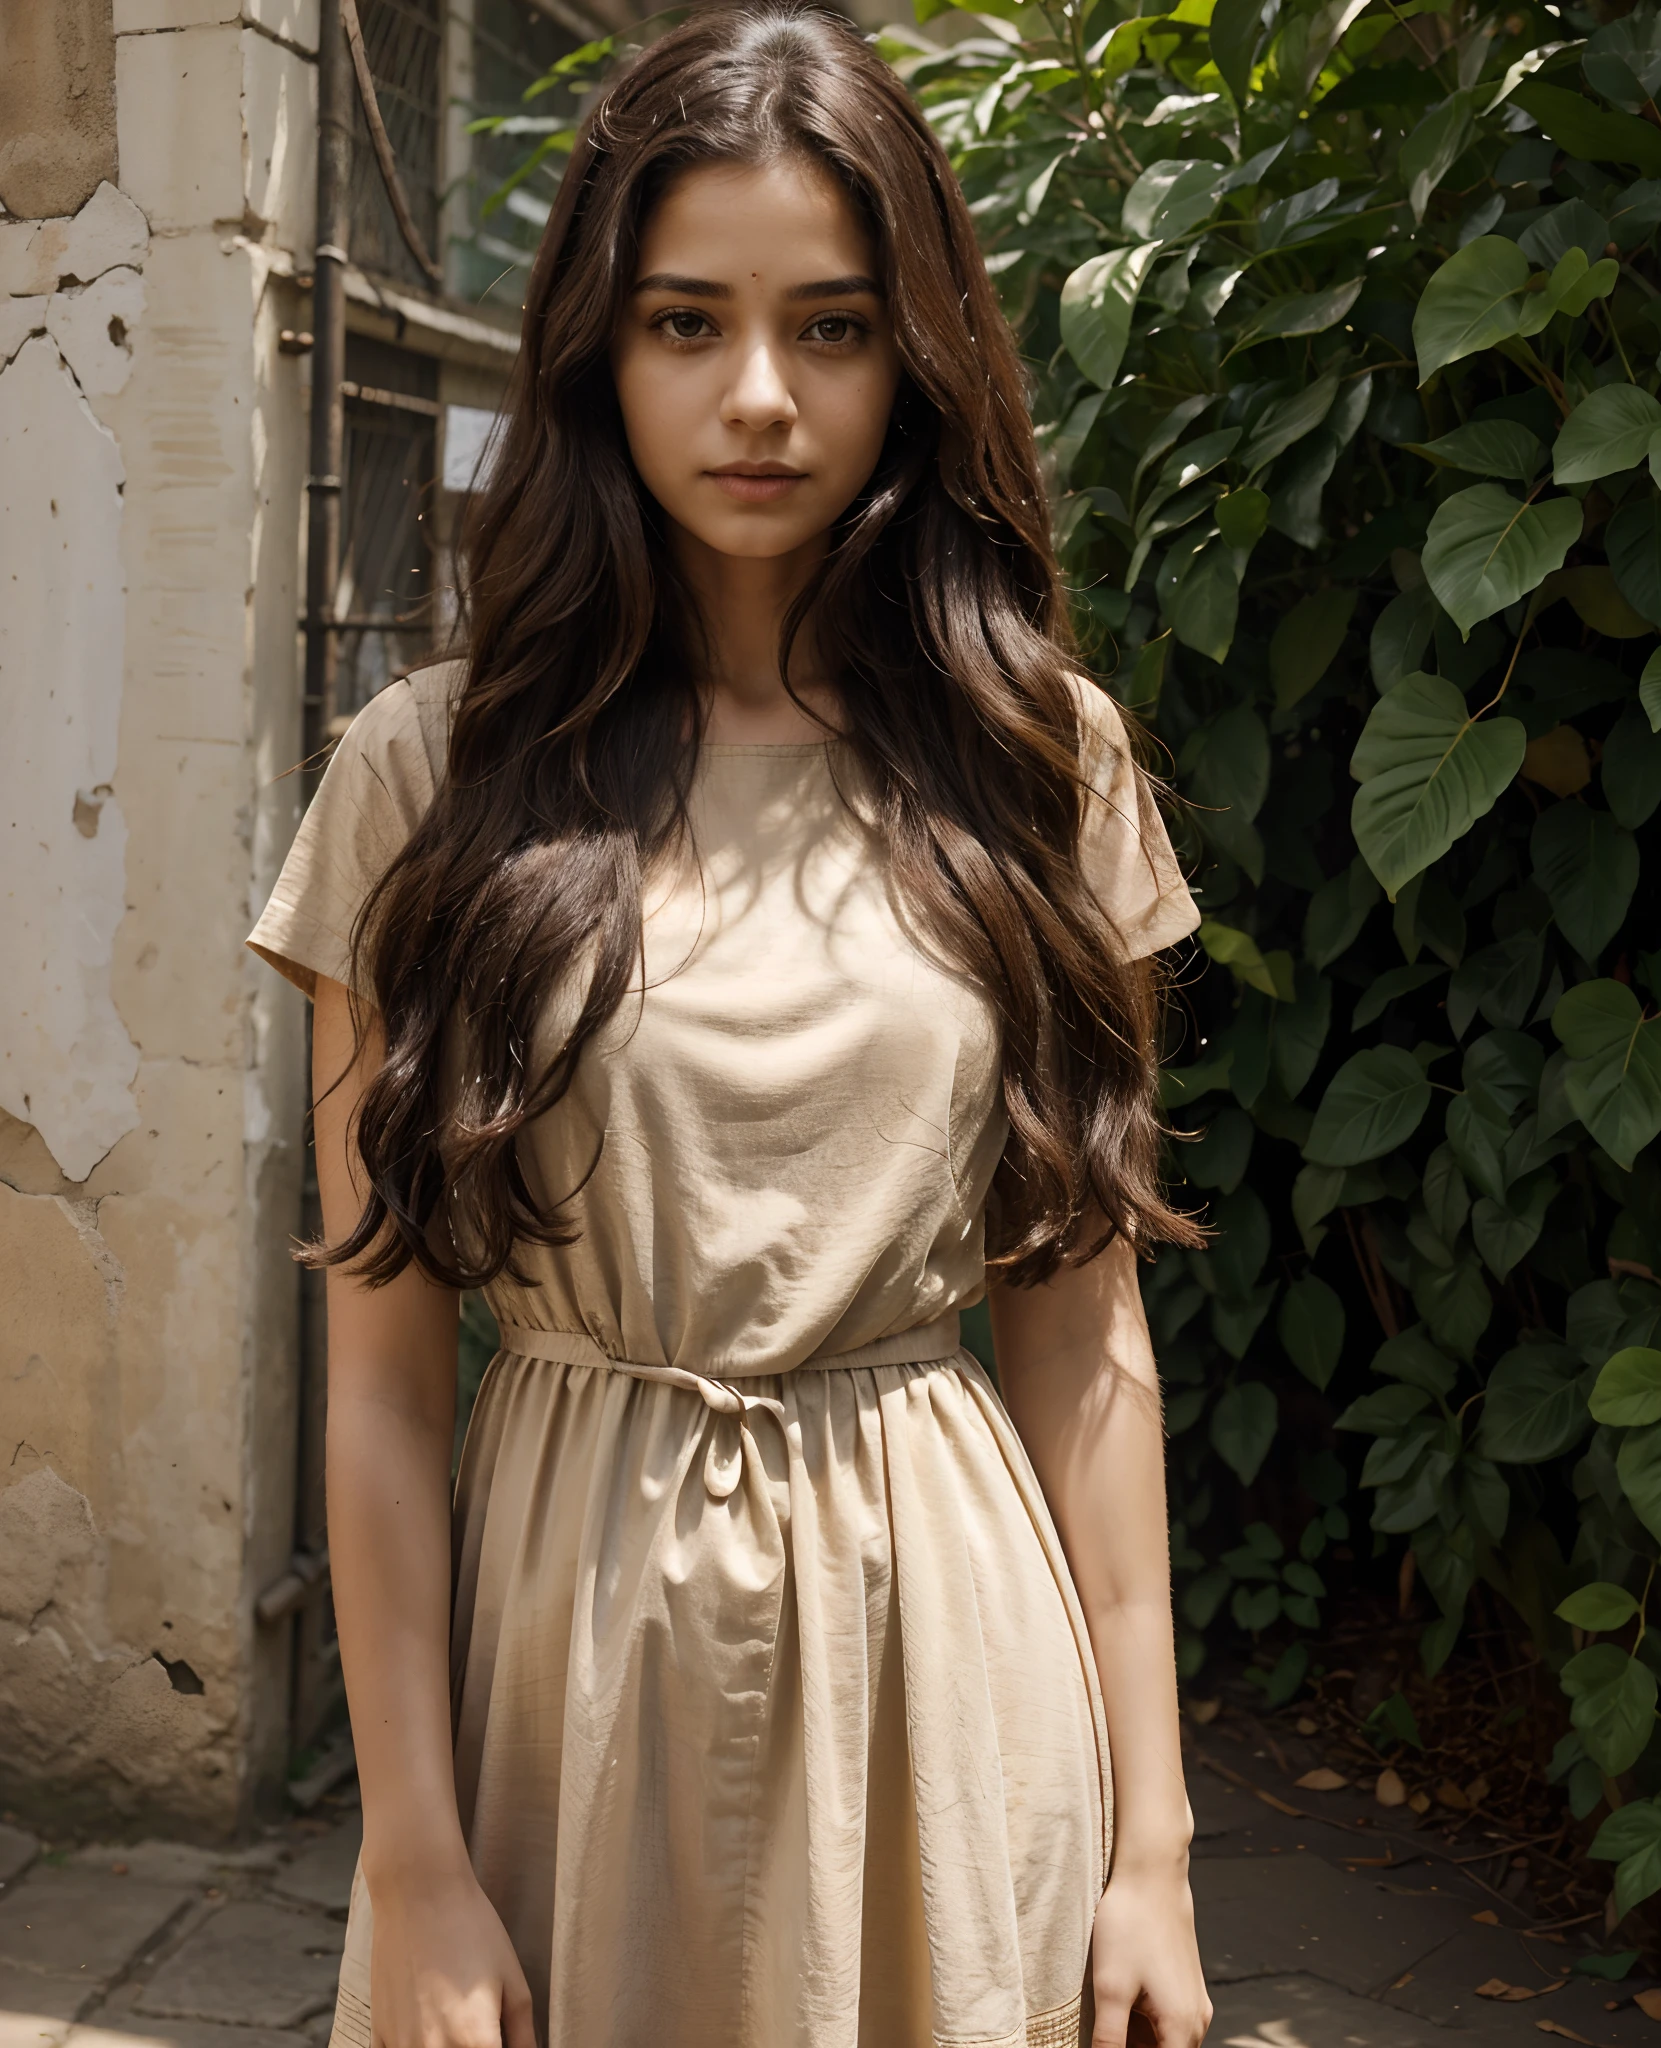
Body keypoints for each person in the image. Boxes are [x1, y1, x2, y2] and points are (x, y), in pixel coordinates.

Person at [247, 6, 1215, 2045]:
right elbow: (385, 1383)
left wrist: (1153, 1848)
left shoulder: (1045, 766)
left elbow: (1077, 1322)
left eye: (835, 328)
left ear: (919, 356)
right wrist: (411, 1856)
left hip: (946, 1667)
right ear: (599, 347)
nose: (759, 397)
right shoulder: (426, 782)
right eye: (687, 322)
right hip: (565, 1669)